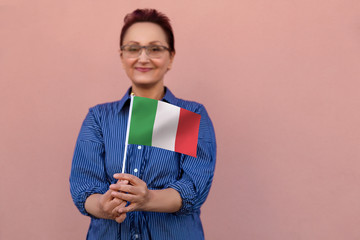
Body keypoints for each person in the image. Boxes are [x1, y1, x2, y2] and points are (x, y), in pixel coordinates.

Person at [70, 8, 216, 240]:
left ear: (171, 57)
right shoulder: (99, 117)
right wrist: (102, 206)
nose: (143, 57)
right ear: (121, 57)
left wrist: (147, 199)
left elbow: (192, 189)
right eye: (133, 48)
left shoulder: (189, 115)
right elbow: (84, 186)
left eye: (155, 48)